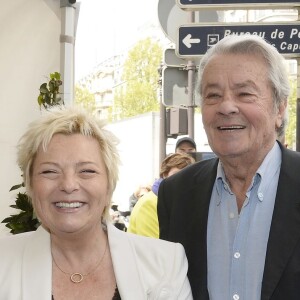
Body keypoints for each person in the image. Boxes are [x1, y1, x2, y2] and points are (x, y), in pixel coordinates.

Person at [157, 34, 300, 300]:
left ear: (279, 108)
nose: (226, 106)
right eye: (213, 95)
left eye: (244, 93)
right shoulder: (176, 194)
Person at [0, 107, 193, 299]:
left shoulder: (165, 265)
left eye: (87, 171)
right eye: (50, 171)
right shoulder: (4, 263)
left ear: (109, 186)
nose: (68, 185)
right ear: (30, 186)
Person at [128, 153, 195, 238]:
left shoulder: (177, 202)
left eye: (186, 177)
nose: (181, 181)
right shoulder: (150, 203)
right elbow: (155, 247)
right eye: (176, 175)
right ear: (165, 174)